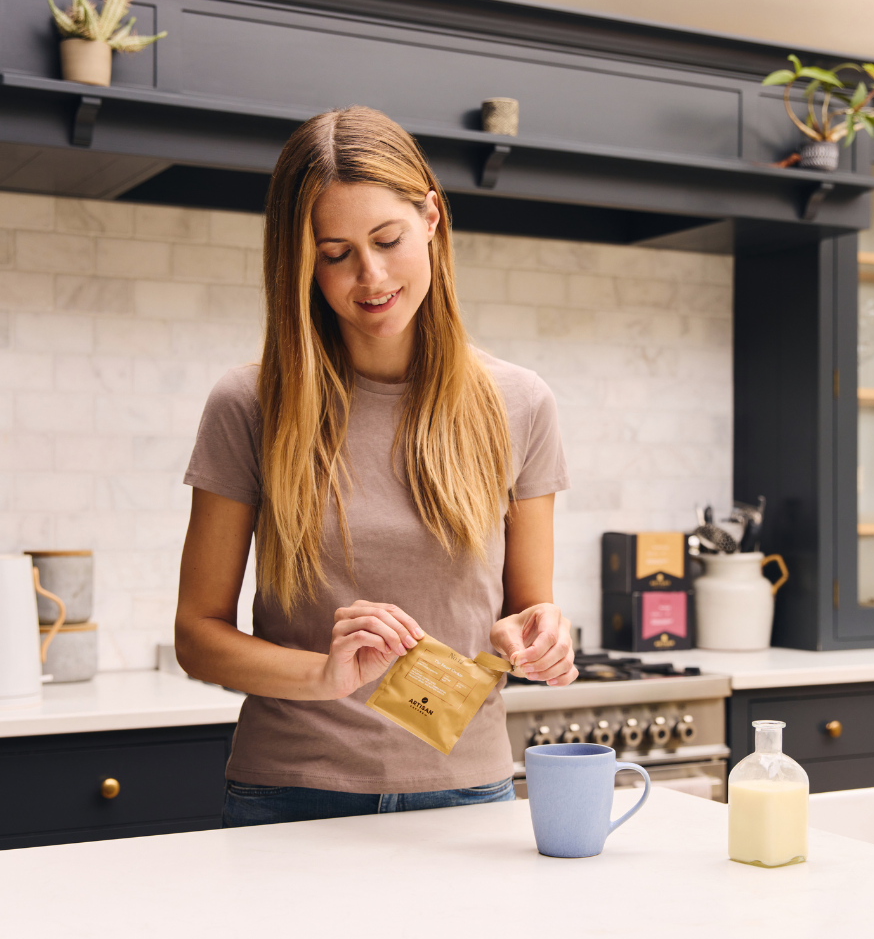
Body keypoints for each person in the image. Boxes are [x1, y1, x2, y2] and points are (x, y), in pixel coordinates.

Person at [174, 106, 576, 827]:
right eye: (335, 253)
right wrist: (322, 676)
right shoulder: (250, 404)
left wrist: (537, 637)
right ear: (300, 263)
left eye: (388, 239)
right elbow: (197, 636)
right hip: (289, 796)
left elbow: (525, 610)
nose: (371, 275)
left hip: (467, 796)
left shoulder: (521, 403)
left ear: (432, 218)